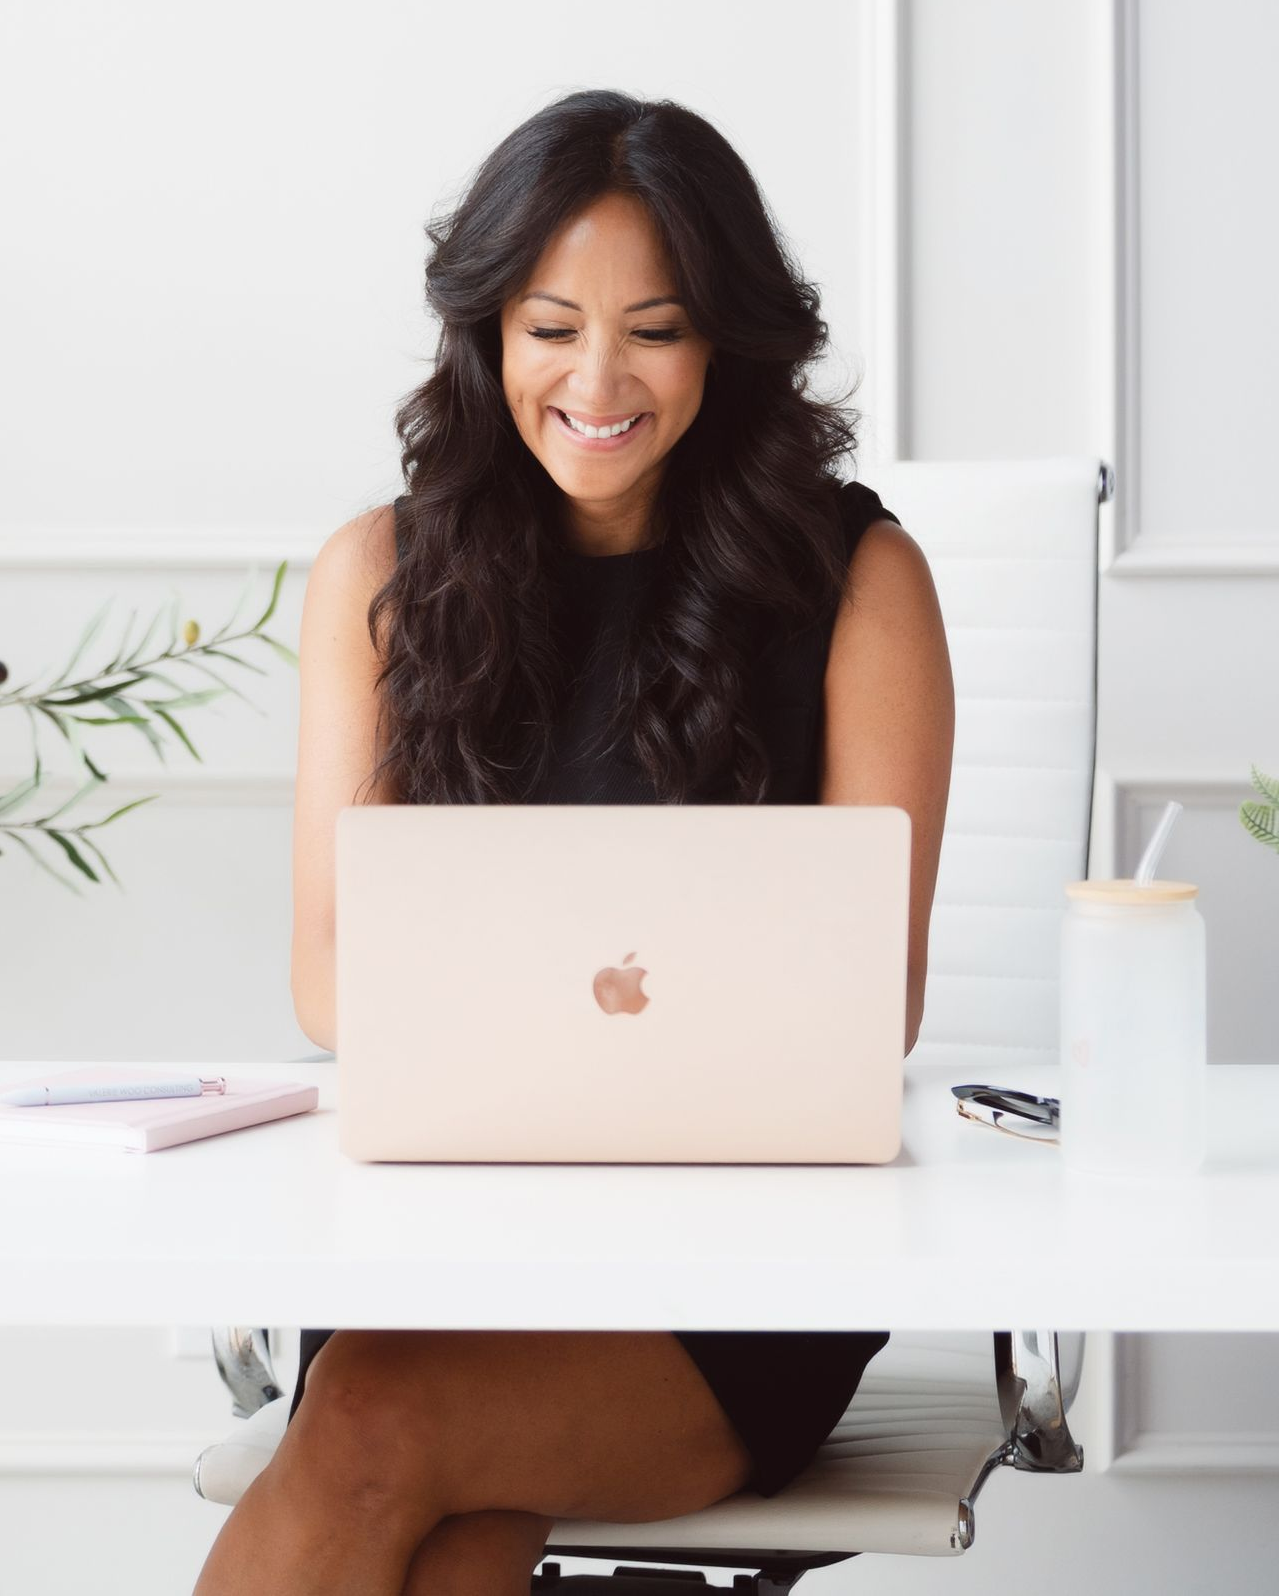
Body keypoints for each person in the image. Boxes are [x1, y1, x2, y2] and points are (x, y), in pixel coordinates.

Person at [192, 91, 955, 1596]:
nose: (596, 378)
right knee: (452, 1526)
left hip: (744, 1279)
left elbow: (876, 1005)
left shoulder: (862, 582)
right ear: (487, 331)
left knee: (373, 1420)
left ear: (726, 339)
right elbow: (331, 979)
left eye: (654, 329)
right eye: (550, 326)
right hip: (455, 1231)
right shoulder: (380, 575)